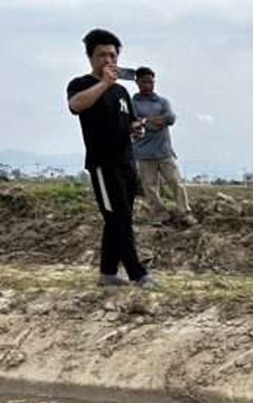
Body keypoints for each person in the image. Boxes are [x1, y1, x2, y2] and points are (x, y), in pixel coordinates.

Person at [67, 28, 156, 289]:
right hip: (103, 164)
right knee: (117, 219)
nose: (108, 60)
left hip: (127, 162)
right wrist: (103, 83)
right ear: (91, 58)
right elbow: (76, 106)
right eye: (102, 55)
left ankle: (107, 272)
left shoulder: (121, 92)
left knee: (121, 218)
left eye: (113, 55)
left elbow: (127, 123)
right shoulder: (81, 84)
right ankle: (137, 273)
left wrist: (135, 128)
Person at [131, 66, 196, 226]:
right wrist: (155, 121)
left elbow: (170, 119)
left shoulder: (162, 102)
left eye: (151, 82)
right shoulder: (133, 103)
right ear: (137, 82)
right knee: (150, 188)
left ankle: (185, 213)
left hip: (164, 151)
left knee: (176, 183)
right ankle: (160, 215)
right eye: (145, 82)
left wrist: (146, 120)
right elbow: (133, 123)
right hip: (143, 153)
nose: (148, 85)